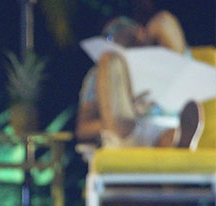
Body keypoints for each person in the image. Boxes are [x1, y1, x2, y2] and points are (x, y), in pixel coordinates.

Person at [76, 12, 203, 149]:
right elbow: (83, 129)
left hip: (163, 124)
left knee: (170, 135)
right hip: (125, 129)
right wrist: (124, 112)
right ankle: (178, 149)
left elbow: (164, 22)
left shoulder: (163, 57)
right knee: (108, 60)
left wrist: (146, 39)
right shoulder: (98, 73)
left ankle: (180, 145)